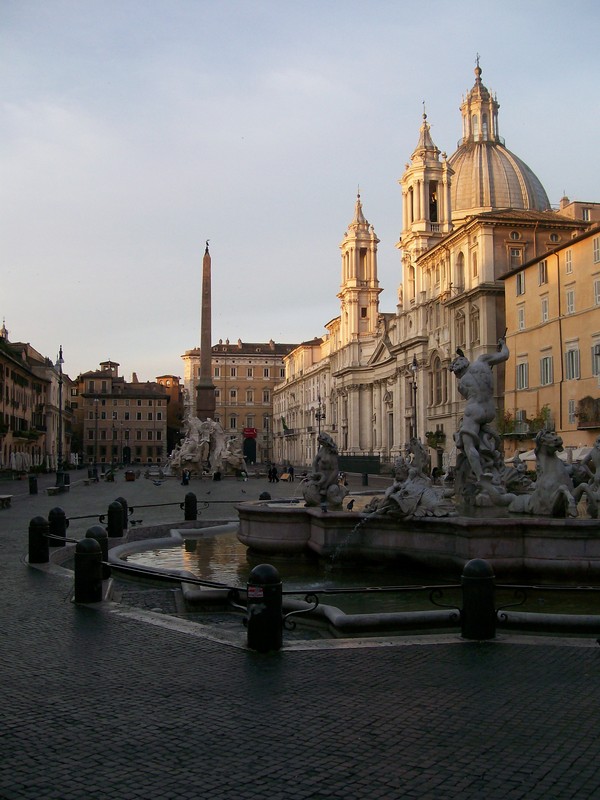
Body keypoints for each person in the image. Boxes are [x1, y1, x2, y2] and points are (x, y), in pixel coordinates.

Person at [448, 337, 509, 481]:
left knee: (468, 446)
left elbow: (468, 394)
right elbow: (505, 355)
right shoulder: (482, 361)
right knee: (479, 438)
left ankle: (481, 476)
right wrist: (502, 344)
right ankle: (488, 457)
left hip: (474, 410)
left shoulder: (461, 383)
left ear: (457, 372)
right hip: (490, 409)